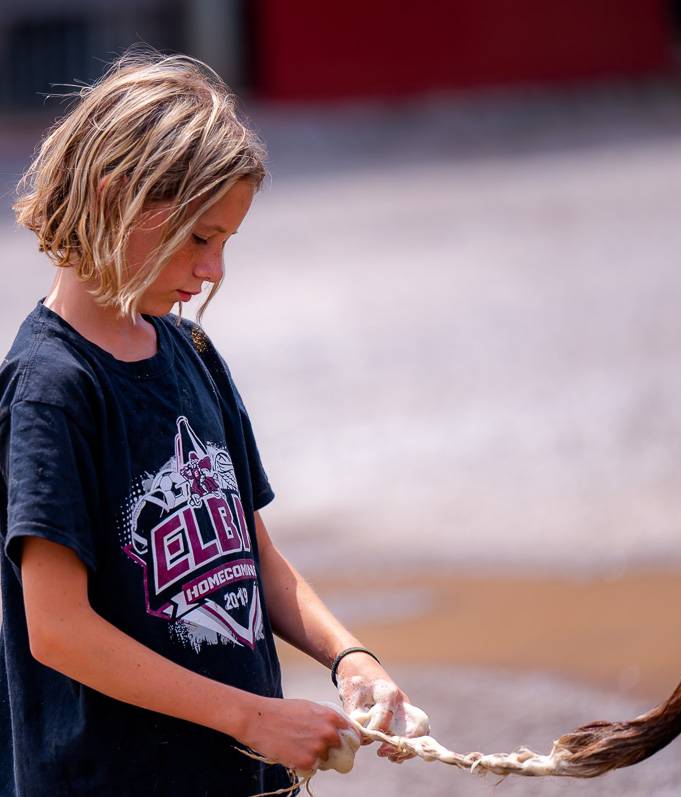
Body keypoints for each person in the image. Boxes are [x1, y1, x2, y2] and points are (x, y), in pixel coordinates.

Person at [0, 48, 416, 796]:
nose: (215, 269)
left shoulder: (190, 349)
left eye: (226, 241)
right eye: (199, 238)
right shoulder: (50, 389)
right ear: (115, 196)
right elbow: (56, 628)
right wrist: (254, 718)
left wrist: (352, 658)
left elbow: (252, 552)